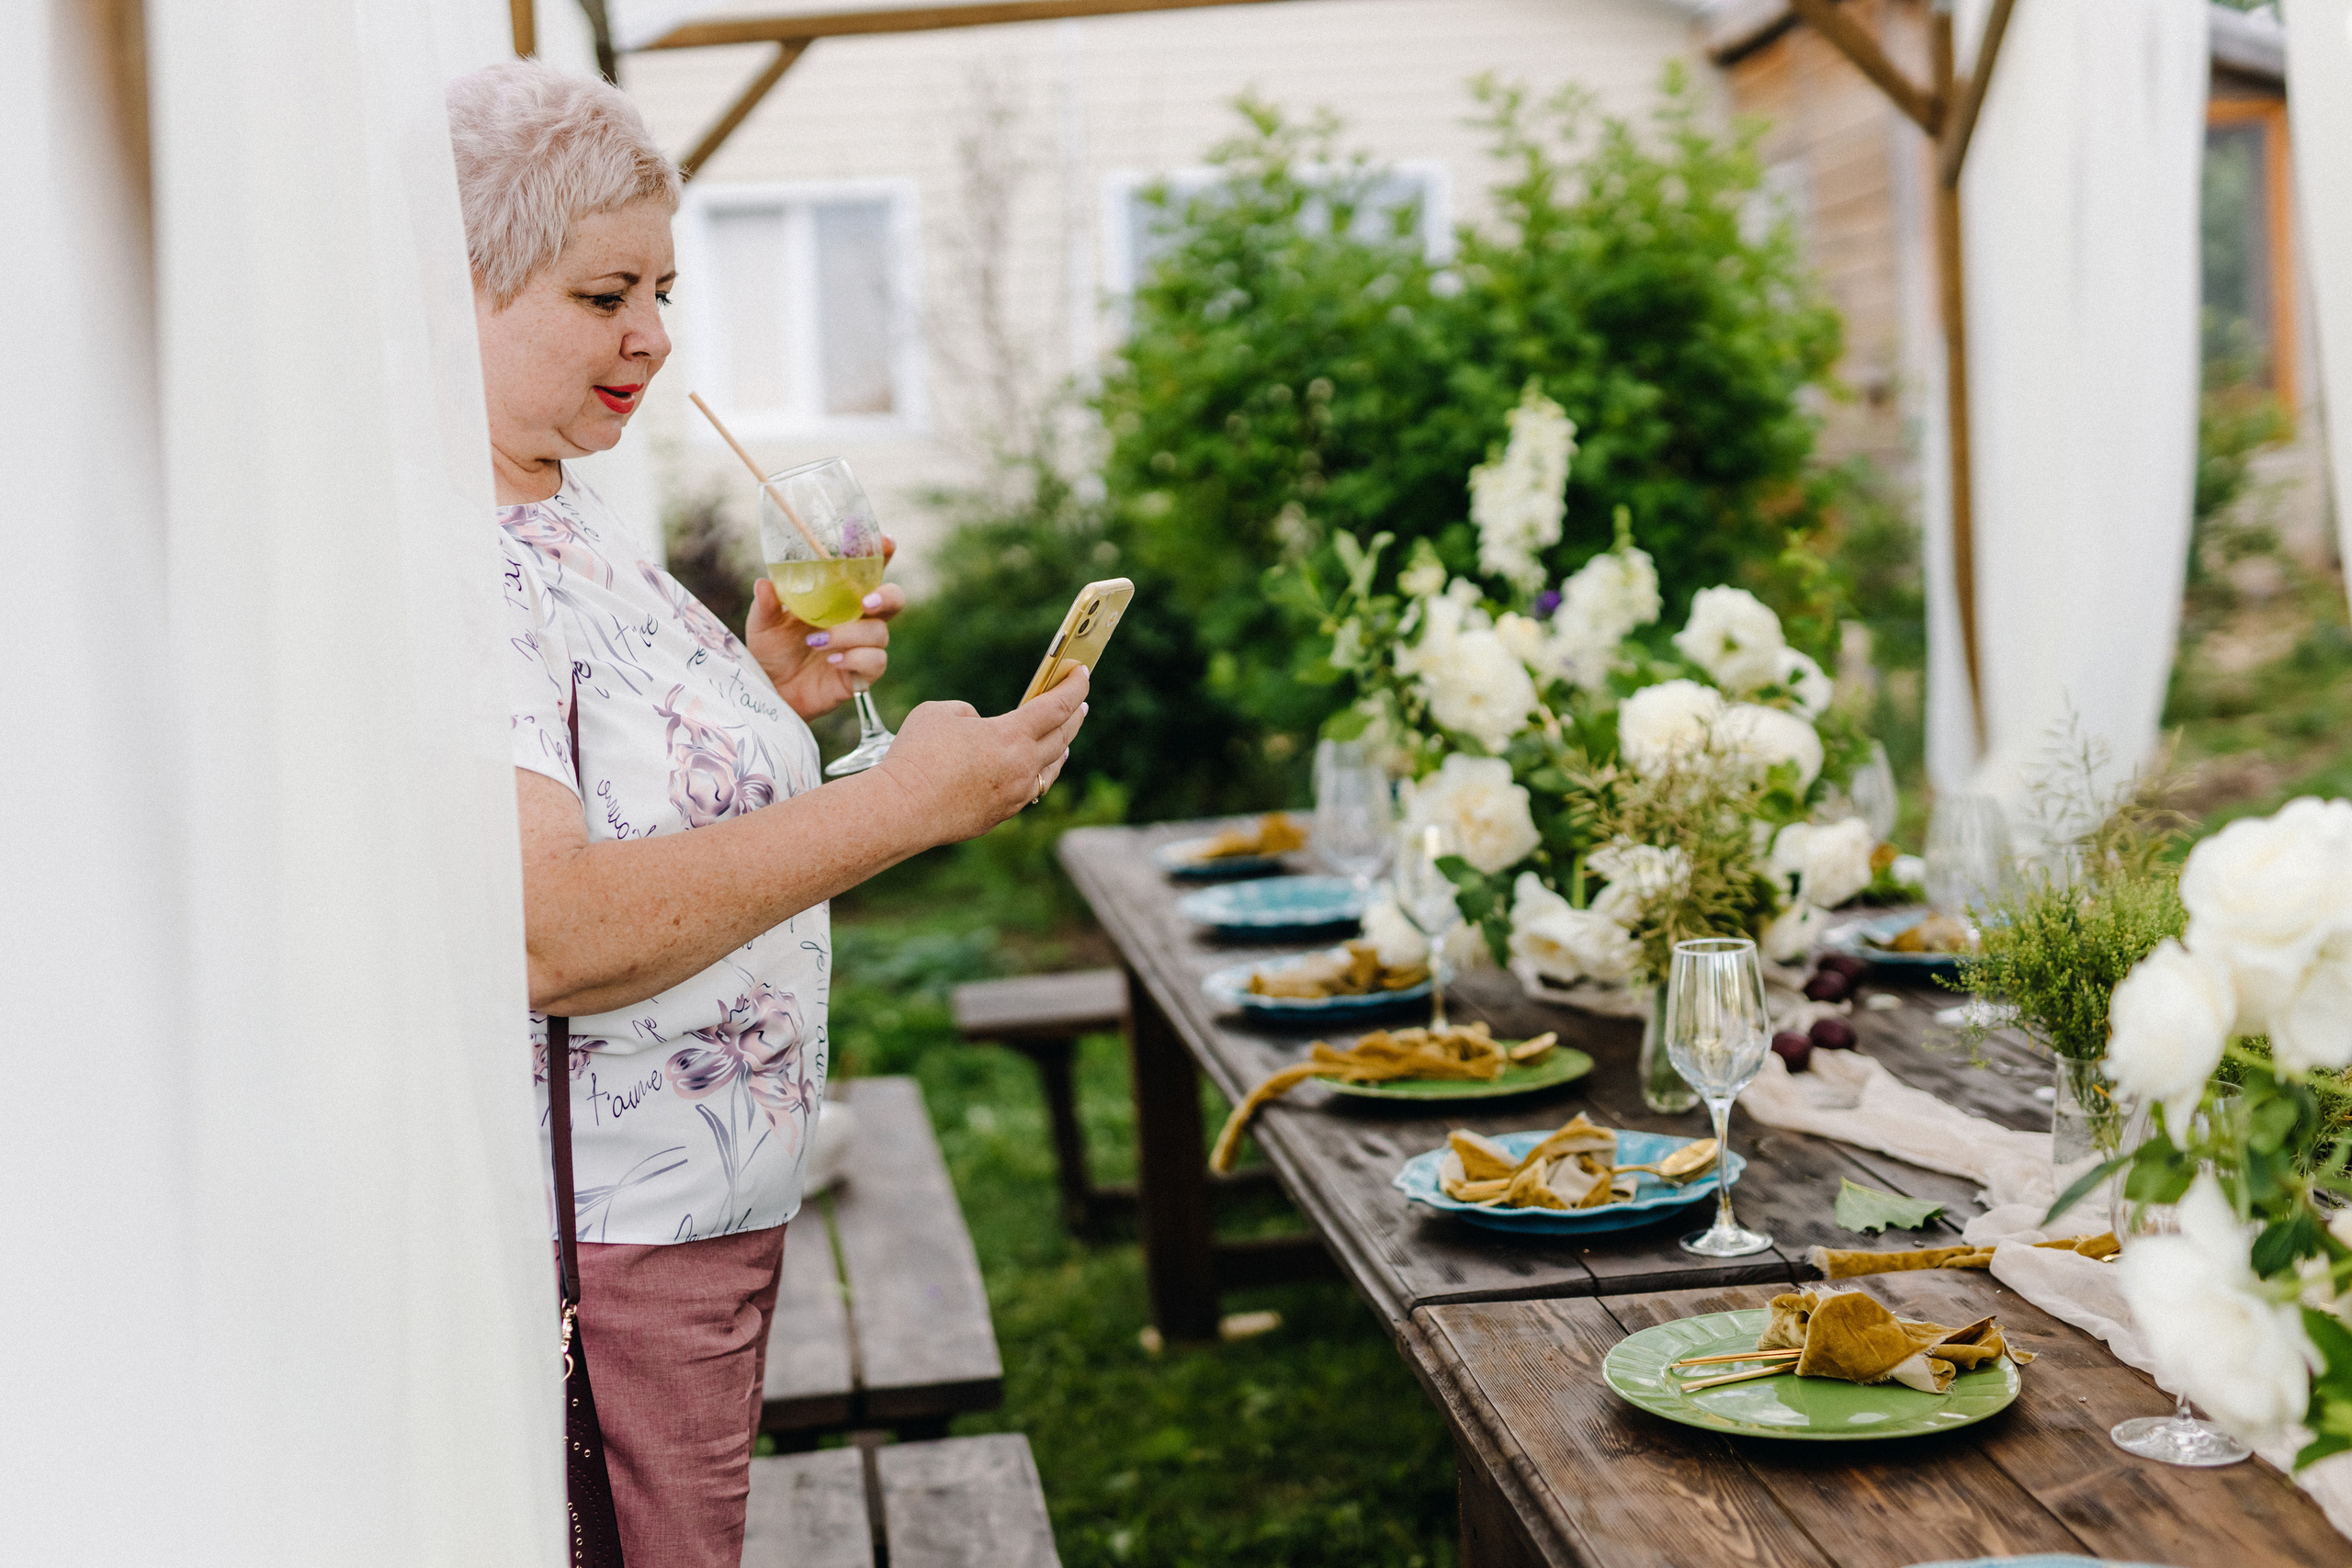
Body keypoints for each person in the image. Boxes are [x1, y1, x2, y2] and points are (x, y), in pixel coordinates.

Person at [448, 60, 1088, 1567]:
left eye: (662, 287)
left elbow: (611, 780)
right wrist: (908, 808)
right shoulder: (455, 562)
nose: (655, 336)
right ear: (453, 287)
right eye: (607, 293)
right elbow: (549, 933)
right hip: (609, 1257)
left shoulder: (557, 507)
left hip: (699, 1217)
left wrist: (756, 693)